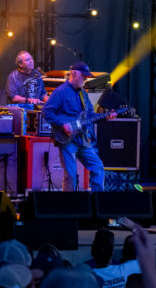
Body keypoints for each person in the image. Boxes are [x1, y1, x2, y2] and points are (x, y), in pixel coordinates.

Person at [41, 61, 114, 192]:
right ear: (74, 74)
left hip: (82, 138)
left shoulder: (83, 93)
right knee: (71, 174)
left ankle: (97, 204)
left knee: (98, 167)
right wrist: (63, 124)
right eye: (84, 75)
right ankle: (69, 209)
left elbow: (90, 116)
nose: (86, 78)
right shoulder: (60, 92)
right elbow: (46, 112)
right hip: (67, 139)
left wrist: (106, 117)